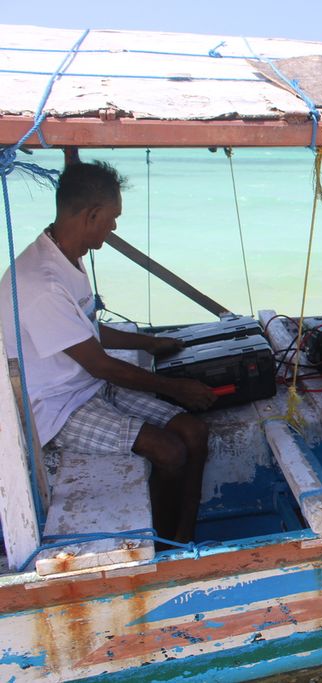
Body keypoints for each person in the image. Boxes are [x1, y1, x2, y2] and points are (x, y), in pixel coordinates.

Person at [0, 161, 216, 543]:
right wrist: (175, 387)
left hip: (89, 387)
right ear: (92, 214)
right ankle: (162, 548)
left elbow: (88, 330)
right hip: (58, 408)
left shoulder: (66, 255)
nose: (113, 227)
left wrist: (148, 343)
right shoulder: (40, 284)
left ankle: (184, 537)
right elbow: (100, 364)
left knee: (194, 432)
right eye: (112, 218)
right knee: (168, 451)